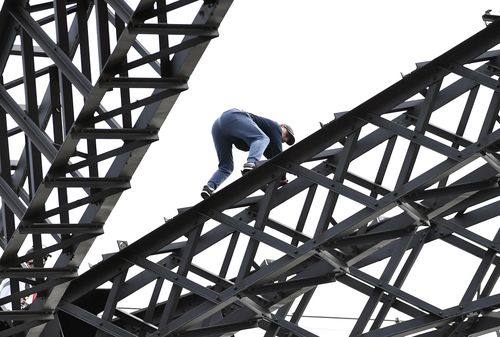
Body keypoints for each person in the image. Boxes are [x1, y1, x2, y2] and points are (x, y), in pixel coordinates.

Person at [201, 108, 295, 199]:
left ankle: (209, 187)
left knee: (226, 167)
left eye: (286, 140)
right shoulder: (275, 127)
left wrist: (286, 173)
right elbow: (280, 156)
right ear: (282, 126)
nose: (284, 140)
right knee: (262, 139)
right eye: (286, 135)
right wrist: (283, 177)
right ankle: (251, 163)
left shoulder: (260, 143)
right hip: (234, 116)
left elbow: (274, 159)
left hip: (218, 127)